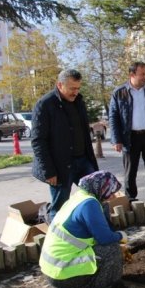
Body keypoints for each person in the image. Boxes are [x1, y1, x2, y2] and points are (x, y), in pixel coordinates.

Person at [39, 170, 127, 288]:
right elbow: (105, 238)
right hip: (62, 274)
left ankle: (85, 283)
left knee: (102, 250)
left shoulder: (79, 197)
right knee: (112, 250)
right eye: (111, 191)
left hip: (51, 269)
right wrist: (121, 236)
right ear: (101, 189)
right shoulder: (90, 204)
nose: (113, 196)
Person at [32, 69, 99, 222]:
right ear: (60, 85)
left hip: (82, 160)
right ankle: (58, 237)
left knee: (95, 195)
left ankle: (97, 233)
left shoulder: (79, 102)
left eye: (78, 88)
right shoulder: (45, 105)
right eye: (72, 89)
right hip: (59, 166)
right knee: (60, 207)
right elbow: (38, 141)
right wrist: (48, 171)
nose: (75, 92)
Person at [109, 61, 145, 201]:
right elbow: (113, 117)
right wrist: (116, 139)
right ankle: (131, 199)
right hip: (130, 138)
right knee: (130, 171)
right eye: (142, 74)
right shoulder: (119, 92)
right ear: (132, 74)